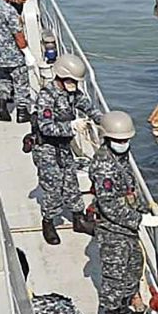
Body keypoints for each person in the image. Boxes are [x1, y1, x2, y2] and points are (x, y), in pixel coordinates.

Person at [90, 111, 158, 314]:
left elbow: (127, 190)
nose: (124, 144)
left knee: (132, 267)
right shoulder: (104, 166)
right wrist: (140, 219)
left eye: (126, 140)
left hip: (127, 226)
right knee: (115, 273)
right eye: (119, 140)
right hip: (112, 229)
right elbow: (109, 204)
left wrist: (143, 207)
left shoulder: (120, 158)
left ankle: (123, 306)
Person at [32, 54, 100, 245]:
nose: (74, 84)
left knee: (71, 182)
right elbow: (45, 126)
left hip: (63, 146)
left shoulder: (72, 93)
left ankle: (78, 219)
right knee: (53, 187)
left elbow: (86, 105)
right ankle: (48, 221)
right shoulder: (47, 97)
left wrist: (101, 120)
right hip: (46, 147)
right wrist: (71, 127)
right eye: (71, 80)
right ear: (61, 76)